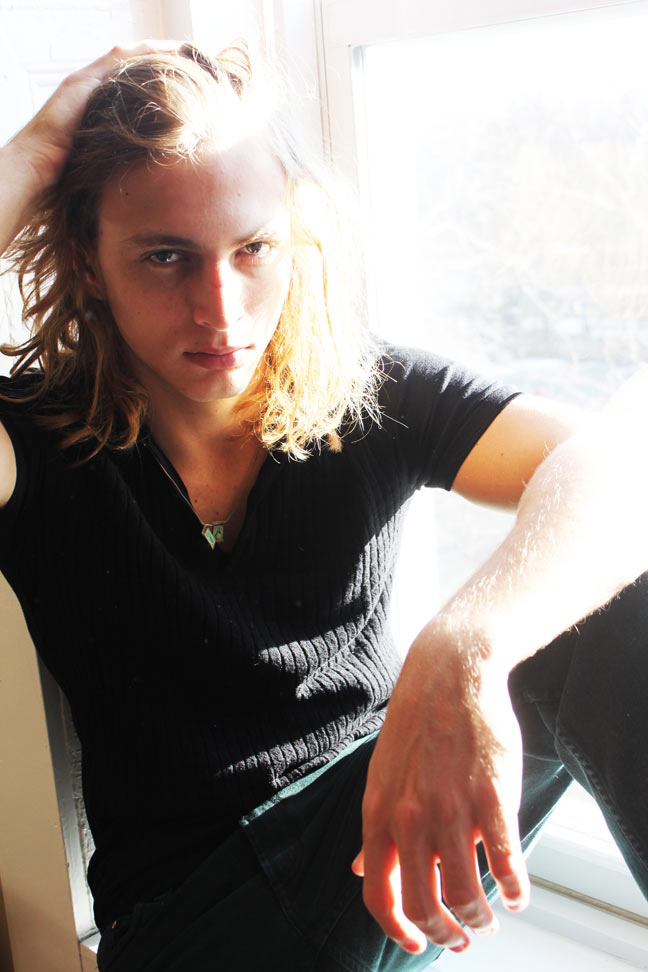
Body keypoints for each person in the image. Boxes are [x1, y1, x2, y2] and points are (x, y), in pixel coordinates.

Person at [0, 40, 647, 972]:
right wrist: (34, 151)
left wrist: (463, 645)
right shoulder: (34, 440)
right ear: (90, 263)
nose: (220, 310)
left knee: (614, 596)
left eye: (253, 249)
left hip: (373, 854)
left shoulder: (366, 391)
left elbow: (620, 470)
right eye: (166, 257)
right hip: (198, 927)